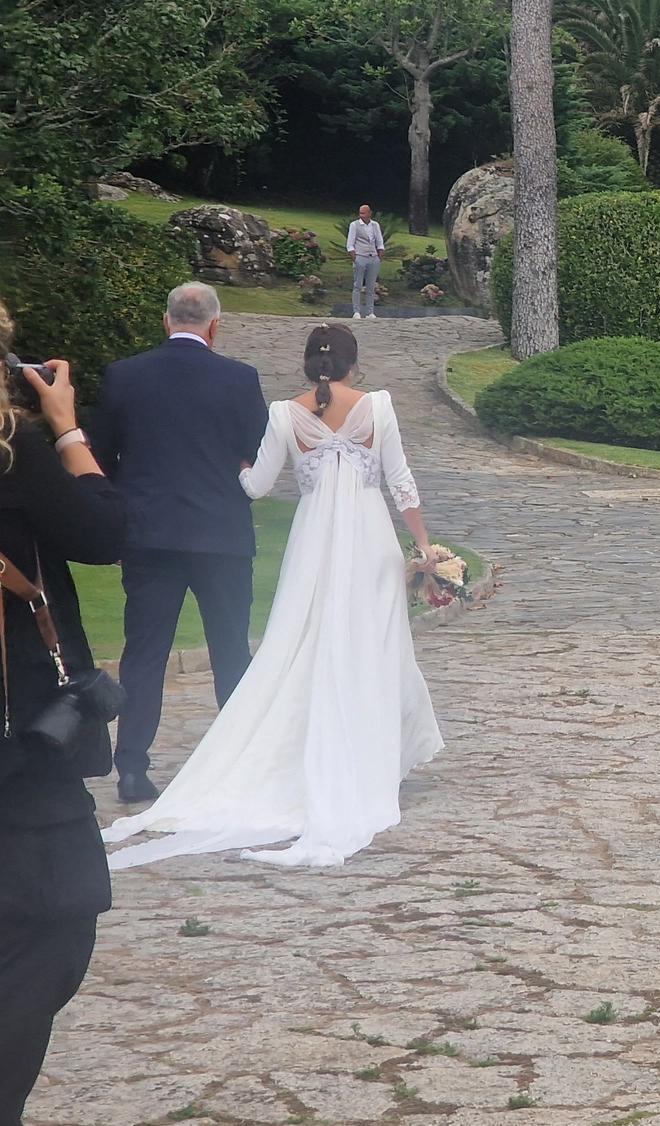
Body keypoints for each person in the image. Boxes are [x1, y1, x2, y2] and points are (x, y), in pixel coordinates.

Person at [102, 324, 443, 869]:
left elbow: (257, 486)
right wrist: (424, 546)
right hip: (369, 541)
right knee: (372, 647)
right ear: (355, 365)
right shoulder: (378, 407)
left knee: (304, 643)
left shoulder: (286, 415)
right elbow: (401, 482)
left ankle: (301, 753)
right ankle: (371, 759)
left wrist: (235, 466)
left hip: (314, 546)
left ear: (308, 366)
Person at [0, 324, 125, 1125]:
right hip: (22, 745)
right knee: (53, 926)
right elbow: (105, 534)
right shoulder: (14, 457)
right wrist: (67, 425)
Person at [94, 282, 268, 804]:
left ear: (166, 321)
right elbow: (257, 449)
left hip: (150, 533)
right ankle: (242, 763)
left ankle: (131, 767)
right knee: (231, 649)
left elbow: (102, 452)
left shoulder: (125, 375)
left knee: (144, 653)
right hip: (221, 534)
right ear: (214, 326)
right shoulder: (240, 378)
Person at [346, 203, 387, 320]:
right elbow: (350, 244)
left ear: (370, 213)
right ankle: (356, 311)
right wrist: (355, 258)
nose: (362, 215)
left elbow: (379, 241)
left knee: (370, 286)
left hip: (373, 257)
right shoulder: (354, 225)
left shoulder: (375, 225)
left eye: (364, 213)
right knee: (357, 285)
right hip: (360, 256)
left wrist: (379, 256)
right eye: (360, 213)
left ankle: (370, 312)